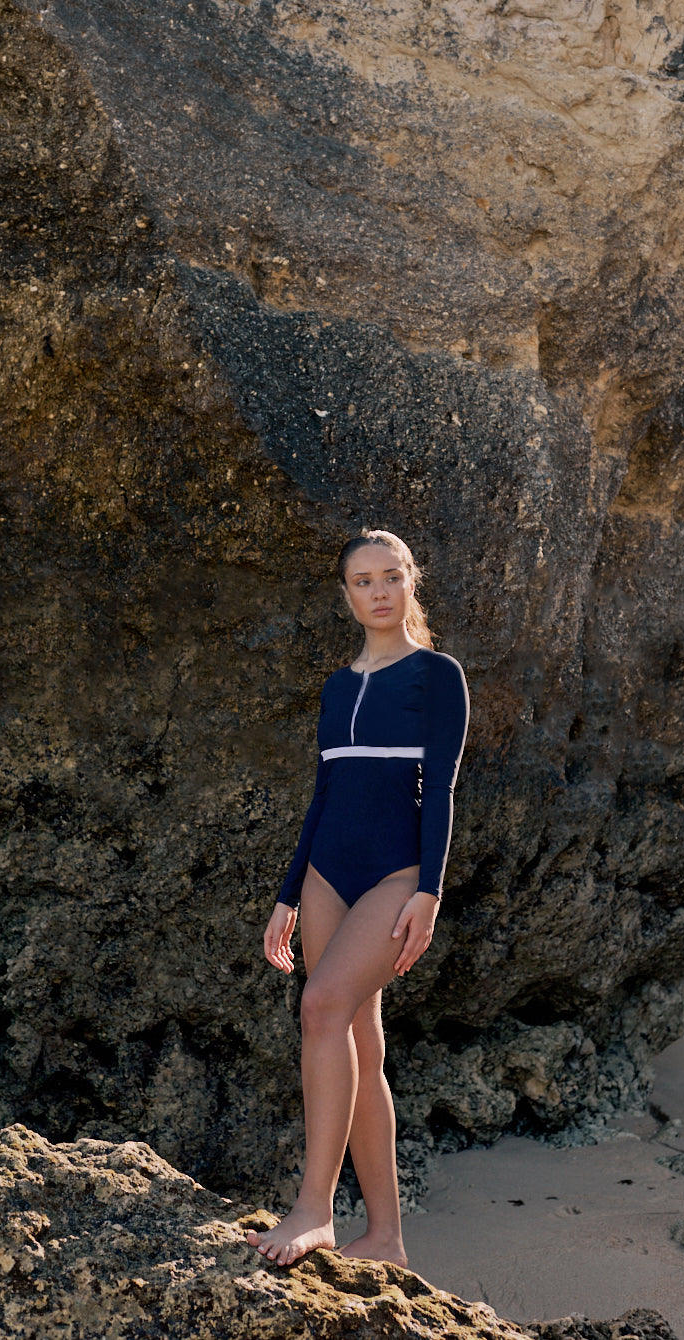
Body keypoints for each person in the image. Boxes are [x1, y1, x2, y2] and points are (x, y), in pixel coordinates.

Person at [245, 529, 469, 1268]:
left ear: (410, 581)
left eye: (390, 577)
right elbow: (324, 794)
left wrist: (429, 891)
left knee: (321, 1006)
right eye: (363, 581)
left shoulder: (437, 675)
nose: (378, 592)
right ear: (346, 595)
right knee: (361, 1045)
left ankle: (315, 1210)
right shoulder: (337, 687)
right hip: (325, 874)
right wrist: (287, 895)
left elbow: (440, 790)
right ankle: (387, 1238)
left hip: (395, 873)